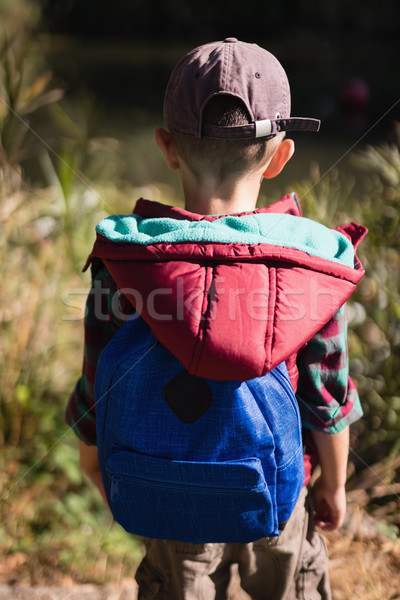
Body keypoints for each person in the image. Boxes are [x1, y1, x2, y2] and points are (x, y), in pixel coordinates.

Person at [66, 38, 366, 599]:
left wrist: (98, 468)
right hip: (276, 497)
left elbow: (97, 382)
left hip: (167, 494)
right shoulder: (308, 263)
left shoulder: (127, 261)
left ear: (166, 147)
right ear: (280, 157)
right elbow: (326, 397)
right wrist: (335, 486)